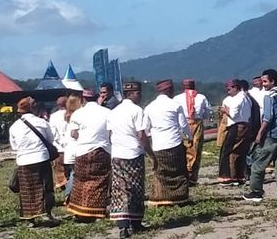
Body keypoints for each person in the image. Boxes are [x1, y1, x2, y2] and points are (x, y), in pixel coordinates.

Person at [107, 81, 154, 238]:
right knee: (135, 189)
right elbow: (142, 136)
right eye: (138, 93)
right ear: (132, 93)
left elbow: (110, 135)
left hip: (117, 155)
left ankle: (122, 226)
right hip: (133, 154)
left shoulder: (113, 112)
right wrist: (151, 154)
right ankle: (136, 222)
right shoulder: (137, 110)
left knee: (120, 189)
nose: (140, 96)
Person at [244, 69, 277, 202]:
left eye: (265, 81)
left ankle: (256, 192)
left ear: (272, 81)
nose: (263, 84)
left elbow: (268, 117)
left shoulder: (269, 96)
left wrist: (260, 133)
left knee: (258, 164)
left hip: (271, 135)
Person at [9, 96, 57, 224]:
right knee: (46, 187)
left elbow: (14, 146)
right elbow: (50, 140)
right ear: (33, 108)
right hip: (41, 158)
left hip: (24, 161)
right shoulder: (42, 123)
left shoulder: (14, 127)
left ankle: (30, 219)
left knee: (27, 190)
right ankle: (48, 214)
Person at [144, 79, 191, 206]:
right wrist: (189, 138)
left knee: (160, 172)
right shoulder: (175, 105)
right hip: (174, 143)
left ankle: (160, 198)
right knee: (179, 171)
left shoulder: (149, 108)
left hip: (158, 145)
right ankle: (180, 198)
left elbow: (146, 130)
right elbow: (183, 125)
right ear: (169, 90)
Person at [67, 89, 112, 220]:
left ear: (83, 99)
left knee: (81, 180)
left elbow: (73, 134)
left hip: (82, 151)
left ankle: (79, 211)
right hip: (102, 150)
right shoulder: (107, 112)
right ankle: (97, 211)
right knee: (100, 180)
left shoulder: (77, 114)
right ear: (97, 97)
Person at [174, 79, 211, 185]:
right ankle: (192, 177)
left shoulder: (177, 98)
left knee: (184, 149)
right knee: (196, 149)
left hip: (183, 124)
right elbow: (208, 112)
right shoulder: (201, 97)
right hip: (196, 123)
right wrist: (201, 117)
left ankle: (183, 175)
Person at [218, 79, 252, 185]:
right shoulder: (247, 98)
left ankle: (228, 176)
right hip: (245, 125)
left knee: (228, 151)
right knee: (240, 151)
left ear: (235, 88)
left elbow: (233, 114)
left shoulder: (238, 98)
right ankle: (239, 175)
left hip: (237, 126)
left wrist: (224, 110)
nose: (228, 92)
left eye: (229, 89)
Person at [62, 94, 82, 204]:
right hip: (76, 149)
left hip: (68, 150)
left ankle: (69, 194)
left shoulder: (66, 116)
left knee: (72, 173)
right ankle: (69, 194)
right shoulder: (77, 117)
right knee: (75, 174)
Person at [49, 96, 69, 191]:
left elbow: (53, 133)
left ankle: (63, 185)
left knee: (59, 169)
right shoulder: (72, 114)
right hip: (71, 146)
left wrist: (59, 142)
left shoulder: (53, 116)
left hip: (59, 147)